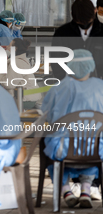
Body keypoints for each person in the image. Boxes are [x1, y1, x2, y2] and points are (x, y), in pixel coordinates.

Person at [42, 49, 103, 208]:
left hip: (64, 149)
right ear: (91, 66)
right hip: (96, 149)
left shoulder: (59, 87)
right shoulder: (100, 86)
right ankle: (86, 191)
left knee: (47, 148)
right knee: (93, 146)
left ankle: (66, 190)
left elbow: (47, 115)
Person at [51, 0, 103, 80]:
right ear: (72, 15)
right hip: (71, 84)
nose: (85, 26)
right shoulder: (62, 34)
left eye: (88, 22)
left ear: (95, 11)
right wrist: (65, 81)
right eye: (80, 23)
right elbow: (56, 60)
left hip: (99, 85)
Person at [0, 38, 42, 109]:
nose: (6, 47)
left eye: (9, 45)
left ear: (15, 49)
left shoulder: (17, 63)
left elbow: (9, 84)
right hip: (24, 96)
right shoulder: (18, 60)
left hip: (25, 99)